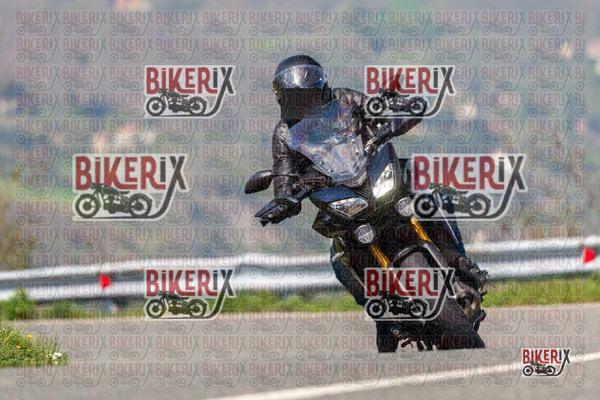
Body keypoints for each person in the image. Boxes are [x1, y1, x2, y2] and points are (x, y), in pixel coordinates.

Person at [266, 55, 488, 349]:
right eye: (298, 98)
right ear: (285, 100)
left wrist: (397, 113)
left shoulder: (345, 100)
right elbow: (283, 176)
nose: (305, 102)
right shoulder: (284, 134)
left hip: (370, 172)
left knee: (428, 194)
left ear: (322, 88)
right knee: (340, 255)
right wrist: (285, 200)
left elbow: (377, 110)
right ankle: (383, 313)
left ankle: (460, 262)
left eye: (310, 95)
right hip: (336, 193)